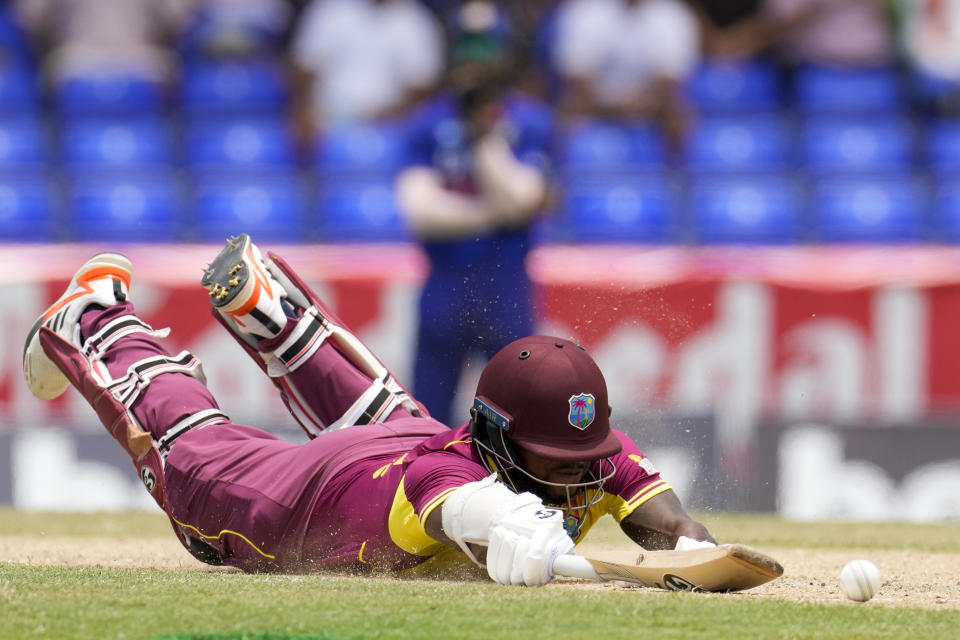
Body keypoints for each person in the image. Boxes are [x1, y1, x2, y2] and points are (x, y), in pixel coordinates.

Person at [22, 233, 715, 585]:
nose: (581, 480)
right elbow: (460, 504)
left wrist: (699, 554)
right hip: (311, 496)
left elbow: (680, 533)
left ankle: (278, 315)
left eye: (587, 458)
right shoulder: (444, 484)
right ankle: (98, 316)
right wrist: (505, 520)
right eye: (558, 464)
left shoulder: (594, 450)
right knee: (194, 452)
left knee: (389, 409)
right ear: (496, 441)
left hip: (407, 441)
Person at [397, 0, 552, 427]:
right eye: (468, 49)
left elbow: (524, 199)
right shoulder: (427, 123)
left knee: (519, 413)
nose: (476, 63)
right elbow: (420, 212)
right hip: (445, 285)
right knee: (426, 416)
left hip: (506, 285)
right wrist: (495, 214)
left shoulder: (531, 121)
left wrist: (483, 135)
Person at [550, 0, 701, 148]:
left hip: (652, 103)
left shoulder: (672, 14)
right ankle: (566, 166)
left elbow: (671, 79)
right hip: (594, 100)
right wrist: (615, 103)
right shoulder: (583, 9)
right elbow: (576, 75)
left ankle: (675, 170)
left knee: (679, 113)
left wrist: (641, 102)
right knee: (568, 107)